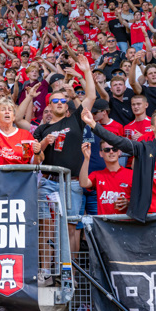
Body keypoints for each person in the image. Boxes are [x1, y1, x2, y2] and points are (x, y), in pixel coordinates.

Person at [31, 54, 94, 282]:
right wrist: (43, 145)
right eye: (55, 101)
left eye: (62, 101)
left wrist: (86, 71)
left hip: (73, 183)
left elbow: (91, 96)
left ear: (67, 105)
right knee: (47, 227)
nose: (59, 103)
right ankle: (45, 272)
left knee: (70, 229)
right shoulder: (42, 129)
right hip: (49, 182)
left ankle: (70, 274)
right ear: (49, 105)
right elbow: (36, 161)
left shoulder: (76, 119)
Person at [81, 107, 156, 222]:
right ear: (152, 127)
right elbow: (117, 141)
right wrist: (93, 124)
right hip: (151, 213)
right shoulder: (143, 148)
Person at [80, 141, 132, 215]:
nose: (111, 152)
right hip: (104, 221)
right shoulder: (97, 175)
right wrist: (86, 158)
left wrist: (129, 203)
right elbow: (83, 183)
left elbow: (142, 200)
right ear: (101, 153)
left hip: (126, 220)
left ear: (119, 152)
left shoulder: (132, 174)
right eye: (106, 150)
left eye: (114, 149)